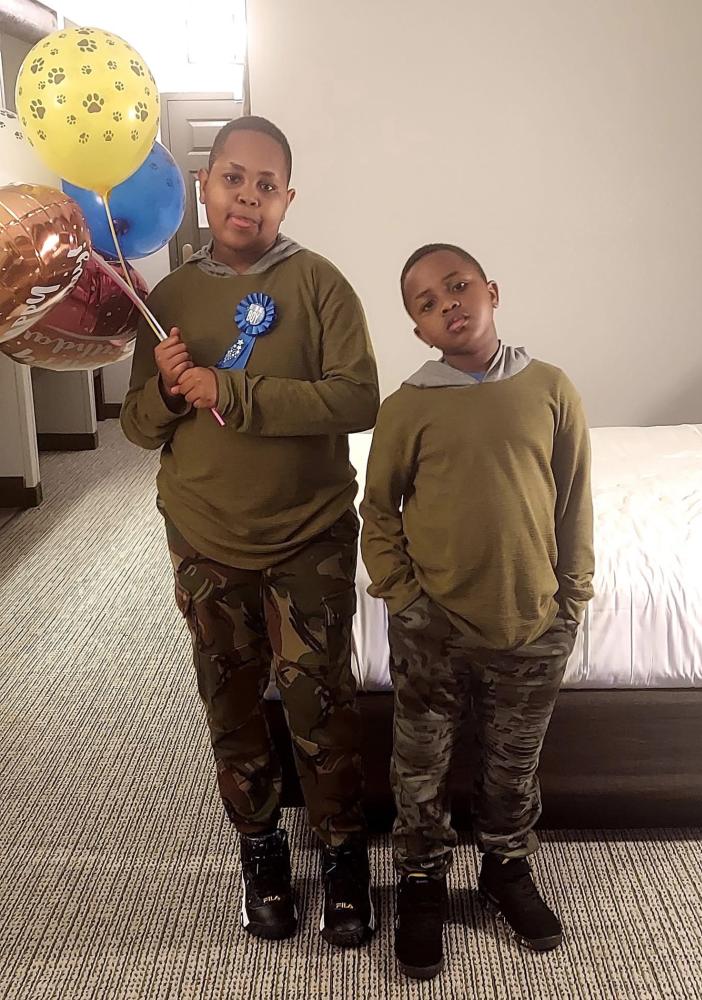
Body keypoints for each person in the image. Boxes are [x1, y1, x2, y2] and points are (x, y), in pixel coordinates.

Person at [121, 116, 379, 947]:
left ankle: (341, 852)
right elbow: (137, 428)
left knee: (320, 702)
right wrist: (169, 391)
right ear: (206, 185)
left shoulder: (321, 285)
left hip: (309, 535)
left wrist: (233, 391)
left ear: (288, 199)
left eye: (267, 185)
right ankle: (260, 846)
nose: (248, 197)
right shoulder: (167, 299)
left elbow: (357, 399)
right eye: (234, 178)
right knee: (229, 702)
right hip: (204, 537)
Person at [360, 243, 594, 979]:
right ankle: (421, 878)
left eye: (458, 287)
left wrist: (572, 598)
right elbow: (377, 513)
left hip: (533, 623)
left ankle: (505, 868)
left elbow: (573, 499)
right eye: (427, 304)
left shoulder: (550, 388)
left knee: (513, 766)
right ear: (419, 330)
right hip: (433, 631)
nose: (448, 305)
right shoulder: (407, 407)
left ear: (492, 291)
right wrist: (404, 598)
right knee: (420, 769)